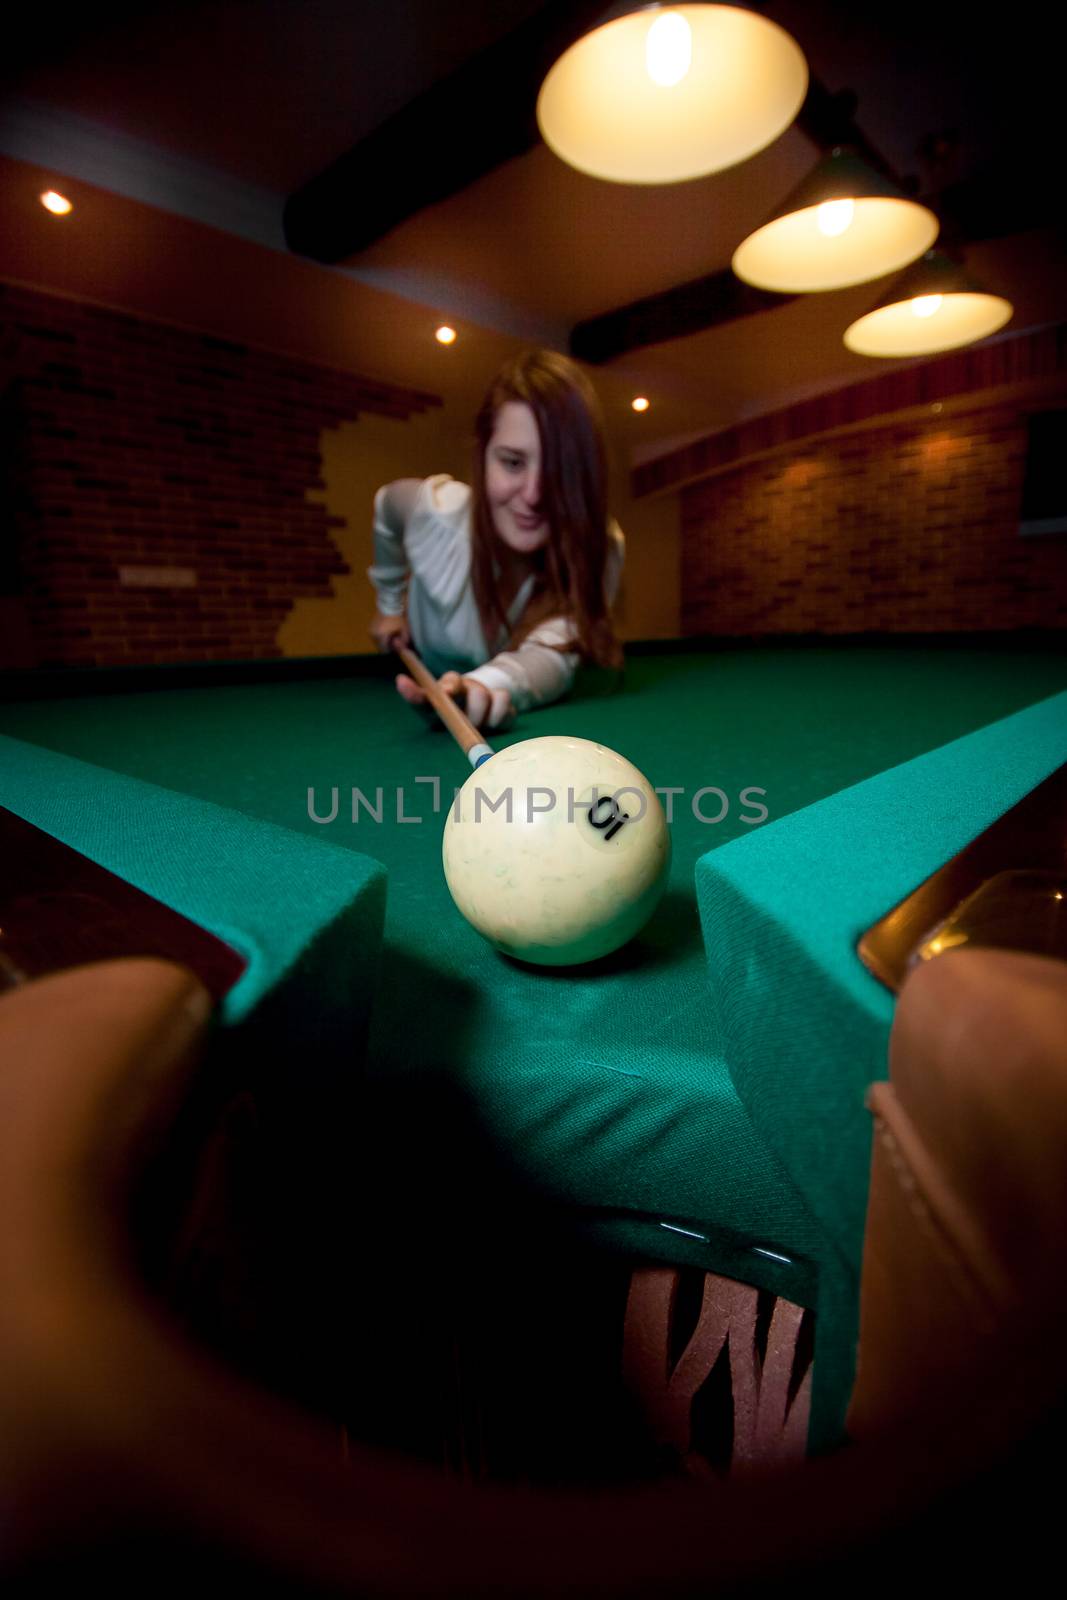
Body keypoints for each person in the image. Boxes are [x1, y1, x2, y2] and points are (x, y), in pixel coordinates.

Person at [368, 349, 625, 730]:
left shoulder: (599, 547)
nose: (535, 494)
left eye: (558, 469)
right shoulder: (431, 513)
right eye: (513, 462)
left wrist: (481, 686)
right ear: (483, 456)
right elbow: (387, 506)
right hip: (427, 661)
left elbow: (553, 658)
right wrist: (389, 605)